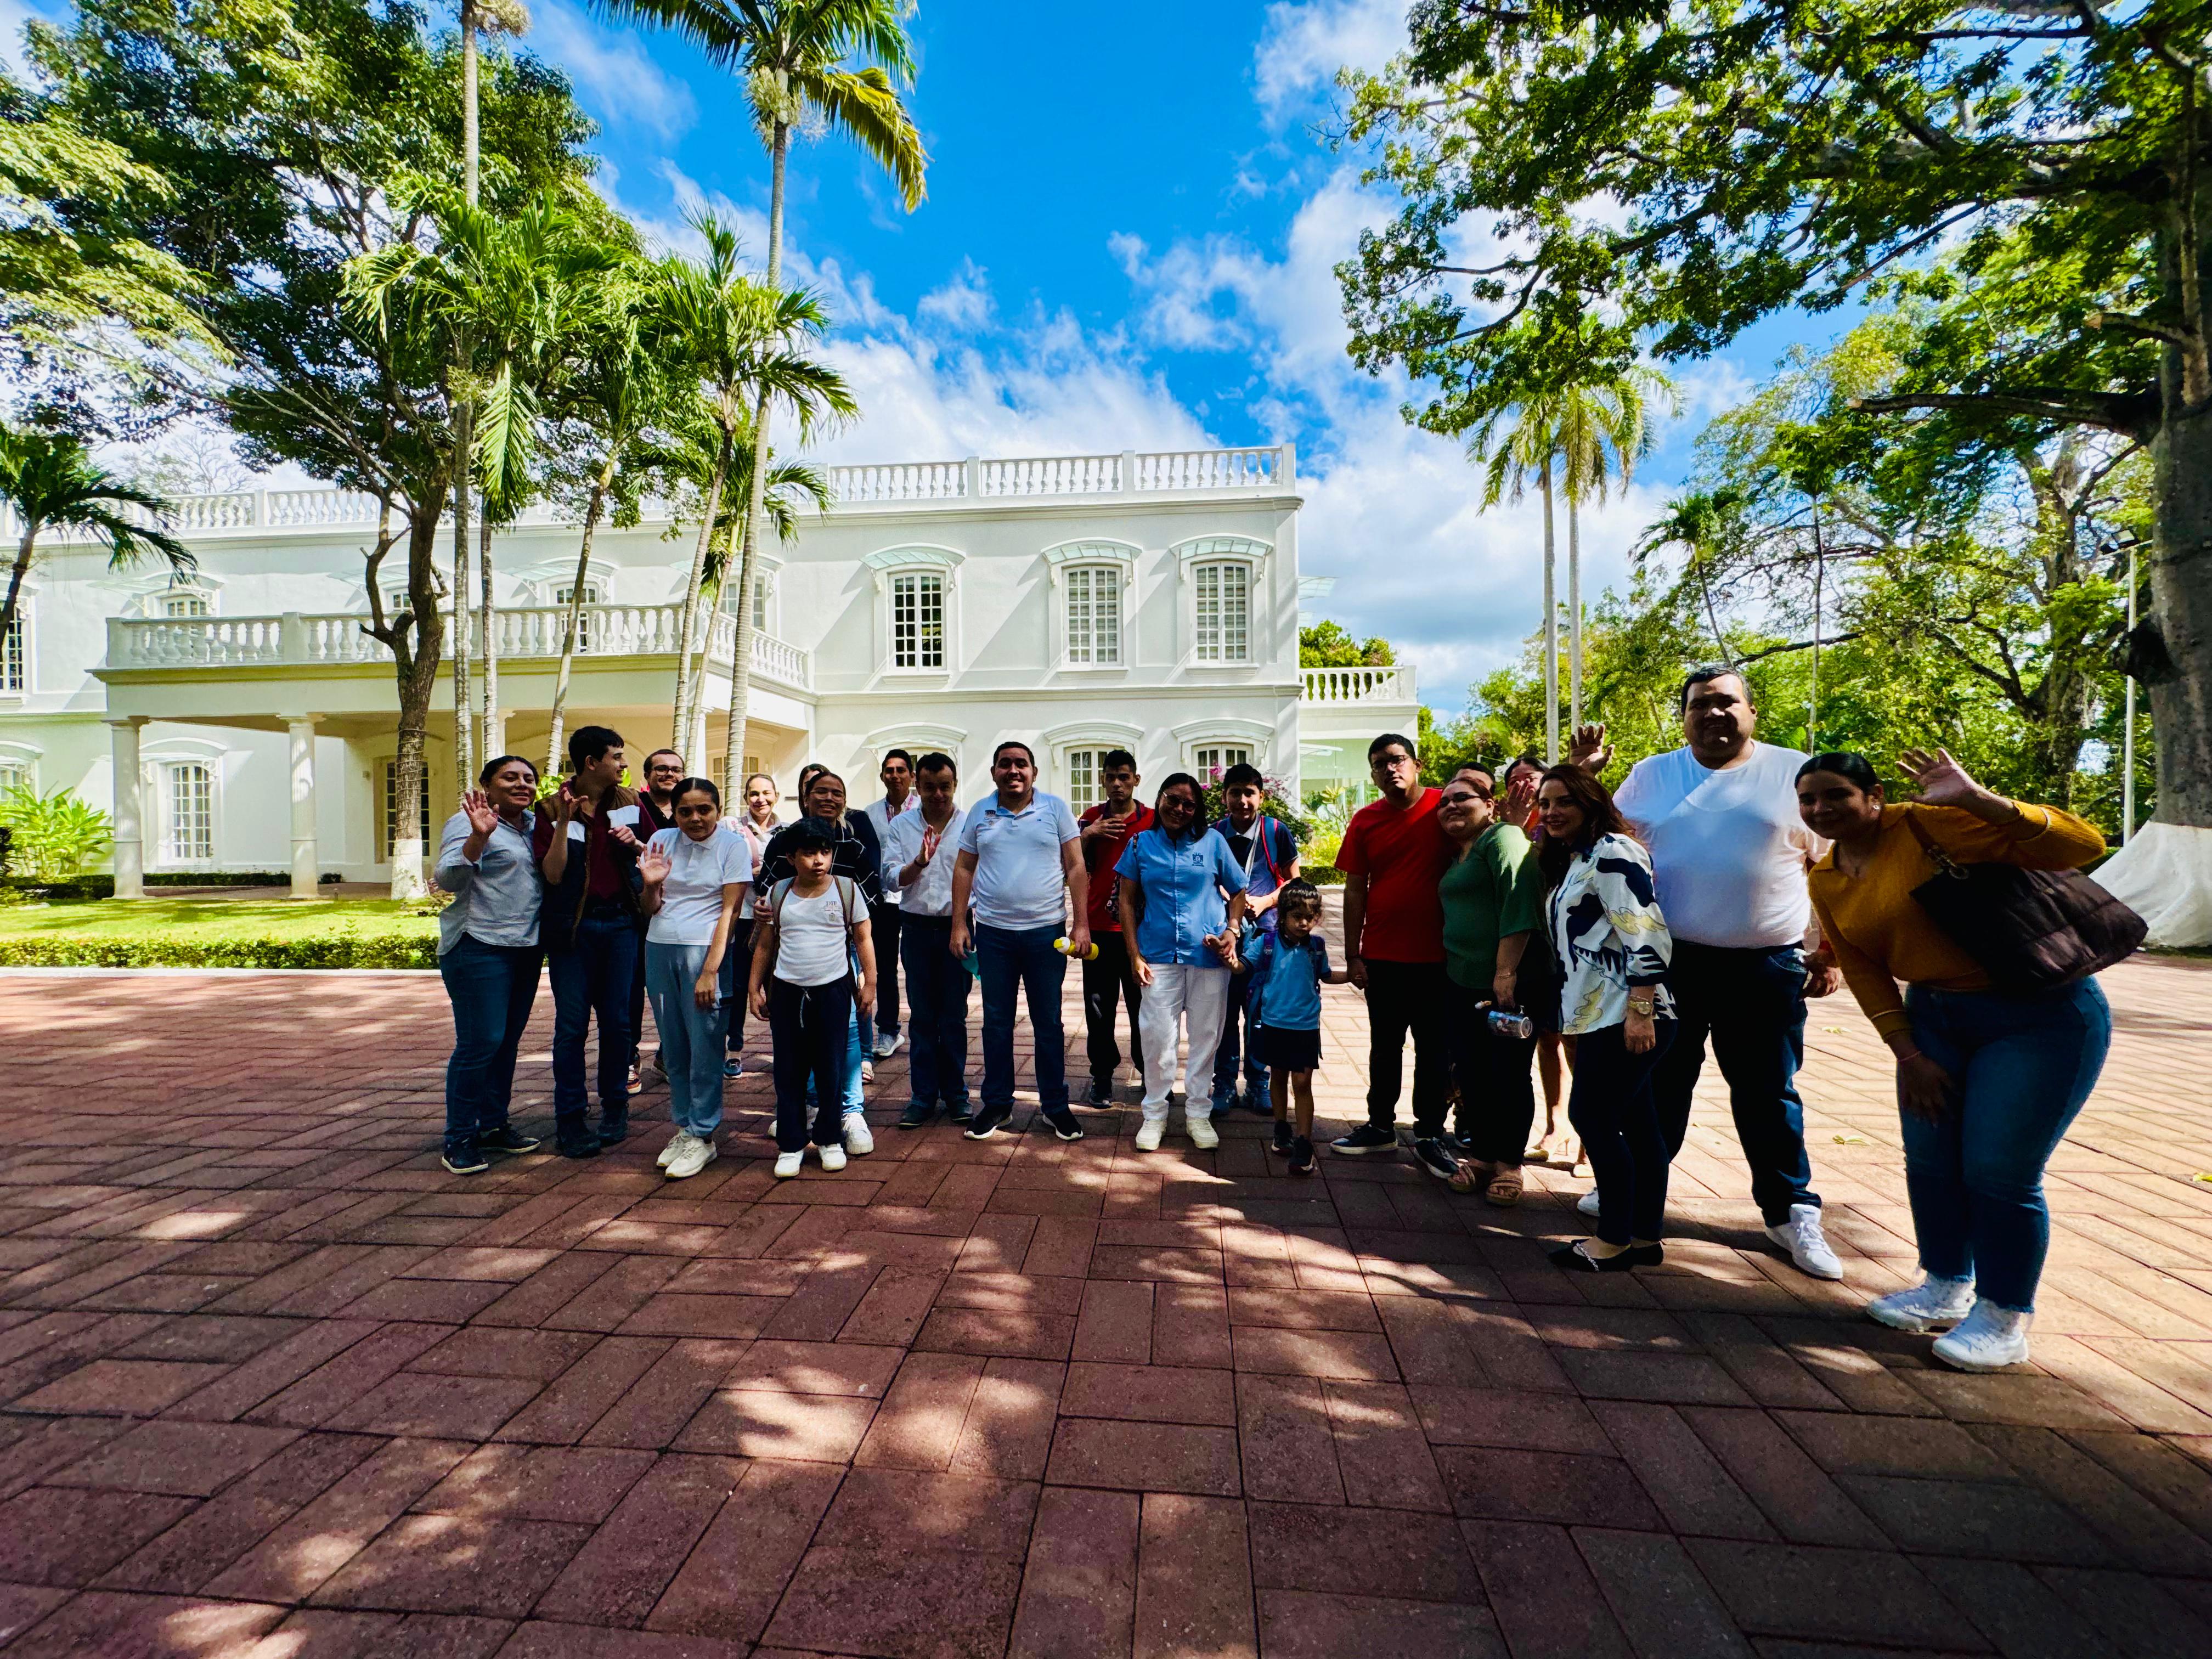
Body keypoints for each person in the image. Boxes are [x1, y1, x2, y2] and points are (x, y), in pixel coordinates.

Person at [1800, 747, 2112, 1371]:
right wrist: (1908, 1052)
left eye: (1836, 794)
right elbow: (1862, 968)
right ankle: (1946, 1283)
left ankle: (2004, 1315)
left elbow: (2084, 845)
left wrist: (1978, 799)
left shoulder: (1930, 823)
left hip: (2038, 1013)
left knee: (1998, 1170)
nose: (1821, 808)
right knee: (1932, 1160)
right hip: (1935, 1020)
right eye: (1808, 799)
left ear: (1874, 796)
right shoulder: (1828, 875)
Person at [1575, 669, 1843, 1281]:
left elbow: (1830, 866)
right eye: (1700, 705)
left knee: (1768, 1091)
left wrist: (1829, 952)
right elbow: (1605, 838)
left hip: (1765, 965)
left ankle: (1790, 1210)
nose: (1714, 714)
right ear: (1685, 716)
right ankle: (1637, 1194)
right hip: (1671, 964)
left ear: (1752, 709)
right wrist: (1585, 774)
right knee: (1657, 1088)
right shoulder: (1653, 774)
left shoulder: (1794, 774)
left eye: (1726, 702)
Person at [1537, 766, 1677, 1272]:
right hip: (1597, 1012)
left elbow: (1649, 933)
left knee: (1592, 1118)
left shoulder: (1614, 851)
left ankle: (1613, 1240)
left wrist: (1640, 1011)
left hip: (1623, 1014)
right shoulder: (1579, 858)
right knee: (1640, 1127)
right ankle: (1644, 1237)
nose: (1551, 812)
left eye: (1563, 802)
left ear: (1591, 803)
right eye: (1545, 802)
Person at [949, 740, 1088, 1143]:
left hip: (1046, 935)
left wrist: (1081, 924)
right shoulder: (980, 811)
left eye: (1021, 764)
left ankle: (1056, 1107)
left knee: (1048, 1023)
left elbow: (1076, 866)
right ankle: (997, 1104)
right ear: (994, 772)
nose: (1014, 771)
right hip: (993, 935)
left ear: (1034, 773)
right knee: (996, 1023)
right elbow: (963, 867)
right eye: (1005, 764)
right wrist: (960, 923)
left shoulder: (1056, 809)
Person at [1332, 732, 1456, 1173]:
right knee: (1385, 1048)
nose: (1390, 769)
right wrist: (1353, 955)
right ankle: (1380, 1127)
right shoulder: (1366, 820)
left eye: (1398, 759)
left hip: (1441, 958)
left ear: (1417, 763)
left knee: (1435, 1051)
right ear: (1372, 773)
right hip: (1383, 956)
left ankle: (1429, 1134)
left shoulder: (1447, 808)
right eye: (1380, 763)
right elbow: (1354, 889)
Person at [1116, 774, 1250, 1152]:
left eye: (1188, 804)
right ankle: (1155, 1115)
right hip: (1157, 954)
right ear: (1159, 800)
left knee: (1207, 1036)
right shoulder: (1141, 843)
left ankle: (1198, 1114)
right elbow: (1126, 900)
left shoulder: (1212, 842)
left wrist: (1232, 930)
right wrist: (1134, 953)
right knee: (1157, 1036)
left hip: (1208, 955)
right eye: (1172, 800)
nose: (1179, 809)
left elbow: (1238, 889)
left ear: (1197, 811)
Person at [755, 770, 882, 1156]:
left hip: (838, 959)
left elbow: (868, 908)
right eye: (821, 792)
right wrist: (765, 912)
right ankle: (803, 1112)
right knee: (796, 1045)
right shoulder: (784, 843)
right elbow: (767, 899)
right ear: (805, 797)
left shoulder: (854, 844)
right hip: (791, 959)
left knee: (844, 1038)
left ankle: (848, 1113)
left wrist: (868, 976)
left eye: (837, 792)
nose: (830, 798)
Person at [432, 755, 548, 1175]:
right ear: (487, 785)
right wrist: (479, 839)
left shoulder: (536, 825)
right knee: (481, 1042)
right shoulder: (467, 821)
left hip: (525, 946)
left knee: (505, 1042)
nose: (522, 784)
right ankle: (460, 1137)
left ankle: (494, 1124)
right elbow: (447, 879)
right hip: (478, 944)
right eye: (510, 777)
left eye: (529, 779)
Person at [533, 725, 645, 1158]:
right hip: (573, 934)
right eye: (617, 757)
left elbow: (654, 852)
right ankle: (571, 1119)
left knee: (618, 1024)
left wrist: (634, 843)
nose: (623, 764)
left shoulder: (631, 803)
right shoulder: (549, 809)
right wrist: (563, 822)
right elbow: (553, 874)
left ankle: (615, 1109)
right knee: (571, 1029)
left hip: (621, 926)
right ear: (591, 763)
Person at [1436, 767, 1544, 1206]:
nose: (1451, 806)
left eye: (1463, 798)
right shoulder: (1462, 852)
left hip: (1506, 986)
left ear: (1490, 805)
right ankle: (1481, 1156)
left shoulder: (1503, 839)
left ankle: (1509, 1163)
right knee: (1473, 1072)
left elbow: (1519, 904)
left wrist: (1505, 973)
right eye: (1445, 802)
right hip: (1462, 983)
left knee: (1509, 1075)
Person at [638, 777, 752, 1180]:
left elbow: (731, 913)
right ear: (674, 812)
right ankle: (685, 1127)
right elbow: (650, 907)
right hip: (659, 948)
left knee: (705, 1045)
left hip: (706, 952)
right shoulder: (662, 840)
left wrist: (710, 972)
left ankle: (704, 1134)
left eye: (704, 809)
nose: (695, 818)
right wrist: (650, 886)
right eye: (685, 811)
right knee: (674, 1045)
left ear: (718, 810)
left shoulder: (732, 845)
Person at [882, 752, 971, 1128]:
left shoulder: (970, 825)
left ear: (955, 785)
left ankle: (956, 1095)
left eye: (945, 787)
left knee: (953, 1016)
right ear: (918, 785)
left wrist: (965, 924)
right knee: (921, 1017)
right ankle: (921, 1097)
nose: (938, 794)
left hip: (959, 929)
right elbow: (890, 880)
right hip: (916, 928)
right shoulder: (901, 826)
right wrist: (918, 862)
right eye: (930, 787)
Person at [1242, 879, 1352, 1176]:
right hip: (1274, 1022)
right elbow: (1243, 967)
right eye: (1297, 917)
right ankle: (1281, 1128)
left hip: (1305, 1025)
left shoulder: (1316, 946)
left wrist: (1353, 974)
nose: (1304, 923)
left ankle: (1304, 1142)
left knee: (1303, 1083)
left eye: (1310, 917)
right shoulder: (1265, 943)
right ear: (1283, 916)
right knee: (1277, 1076)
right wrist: (1226, 957)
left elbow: (1326, 975)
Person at [1210, 763, 1300, 1118]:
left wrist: (1263, 902)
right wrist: (1227, 893)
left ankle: (1258, 1083)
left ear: (1262, 797)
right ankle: (1225, 1083)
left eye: (1250, 793)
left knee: (1260, 1013)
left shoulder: (1276, 831)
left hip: (1266, 938)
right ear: (1224, 797)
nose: (1243, 800)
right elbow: (1208, 875)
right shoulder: (1214, 832)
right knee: (1224, 1014)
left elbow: (1295, 881)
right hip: (1226, 936)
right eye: (1236, 793)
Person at [1499, 753, 1575, 1166]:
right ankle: (1554, 1122)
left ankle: (1585, 1138)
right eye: (1516, 781)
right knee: (1545, 1040)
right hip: (1528, 958)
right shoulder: (1507, 831)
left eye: (1533, 781)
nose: (1525, 788)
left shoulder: (1561, 831)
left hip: (1570, 958)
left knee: (1574, 1041)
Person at [1076, 749, 1152, 1107]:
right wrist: (1090, 834)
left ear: (1136, 779)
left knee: (1144, 1007)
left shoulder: (1152, 820)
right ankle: (1102, 1077)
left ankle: (1148, 1072)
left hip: (1142, 932)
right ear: (1103, 780)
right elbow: (1069, 866)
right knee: (1099, 1008)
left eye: (1125, 776)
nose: (1118, 783)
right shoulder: (1091, 819)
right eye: (1111, 777)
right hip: (1098, 930)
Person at [630, 747, 686, 1093]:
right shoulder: (633, 807)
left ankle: (670, 1055)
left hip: (680, 916)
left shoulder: (689, 810)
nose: (669, 774)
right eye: (661, 769)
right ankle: (628, 1057)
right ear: (648, 776)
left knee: (679, 992)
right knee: (632, 990)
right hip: (638, 911)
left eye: (676, 770)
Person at [719, 771, 782, 1079]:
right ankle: (734, 1050)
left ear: (777, 796)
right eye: (754, 794)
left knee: (777, 986)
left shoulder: (787, 831)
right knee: (738, 986)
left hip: (776, 922)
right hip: (742, 919)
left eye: (767, 793)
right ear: (746, 798)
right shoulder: (731, 827)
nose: (761, 799)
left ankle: (783, 1050)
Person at [861, 749, 921, 1060]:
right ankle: (888, 1030)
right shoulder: (869, 814)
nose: (895, 775)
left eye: (901, 770)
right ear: (882, 776)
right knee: (884, 967)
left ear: (912, 776)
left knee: (915, 966)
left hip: (915, 899)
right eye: (889, 770)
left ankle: (926, 1026)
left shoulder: (926, 810)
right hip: (882, 900)